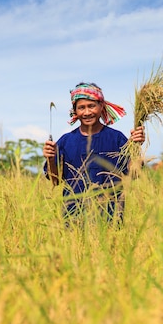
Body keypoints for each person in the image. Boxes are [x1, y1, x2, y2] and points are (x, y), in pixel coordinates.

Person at [43, 82, 145, 224]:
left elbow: (134, 173)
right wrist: (50, 158)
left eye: (91, 106)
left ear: (101, 106)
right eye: (81, 108)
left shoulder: (116, 139)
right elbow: (55, 181)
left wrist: (136, 147)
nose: (87, 112)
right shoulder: (65, 142)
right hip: (74, 221)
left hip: (111, 219)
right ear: (75, 111)